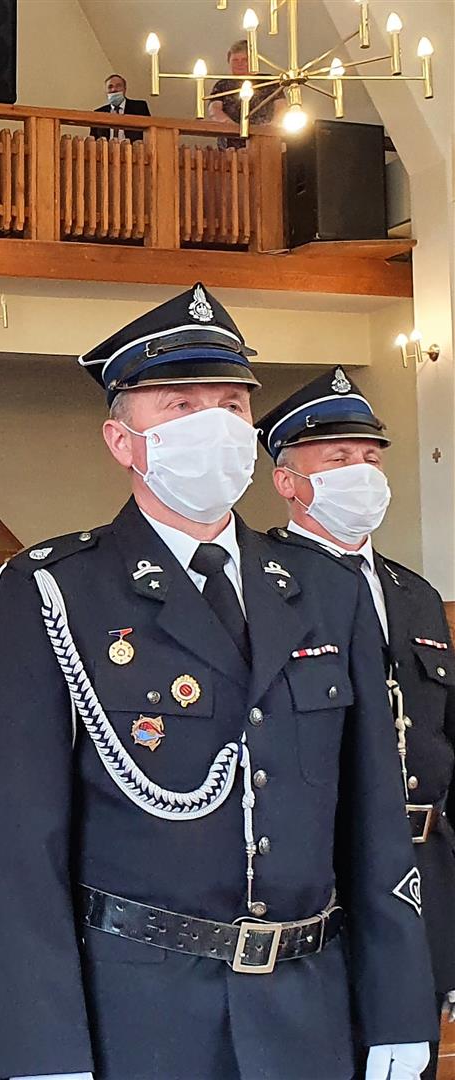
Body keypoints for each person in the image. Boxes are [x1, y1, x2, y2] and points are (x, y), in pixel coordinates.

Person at [0, 283, 438, 1080]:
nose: (215, 425)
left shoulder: (324, 589)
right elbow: (20, 846)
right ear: (122, 441)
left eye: (230, 404)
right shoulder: (56, 589)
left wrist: (397, 1005)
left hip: (308, 1009)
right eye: (182, 406)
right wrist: (43, 1049)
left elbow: (374, 820)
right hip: (139, 1018)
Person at [256, 367, 455, 1080]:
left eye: (371, 457)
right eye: (338, 458)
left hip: (424, 874)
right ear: (288, 481)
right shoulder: (264, 585)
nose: (362, 473)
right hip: (324, 877)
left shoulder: (415, 593)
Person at [208, 40, 283, 148]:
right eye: (235, 60)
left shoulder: (268, 81)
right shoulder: (222, 85)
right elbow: (214, 110)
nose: (240, 63)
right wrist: (232, 126)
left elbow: (281, 107)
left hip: (266, 141)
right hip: (231, 144)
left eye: (245, 60)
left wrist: (271, 127)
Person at [89, 74, 150, 142]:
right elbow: (93, 140)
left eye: (118, 86)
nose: (114, 89)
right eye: (110, 87)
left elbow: (149, 132)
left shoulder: (139, 107)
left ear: (125, 89)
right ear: (106, 91)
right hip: (107, 148)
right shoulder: (98, 113)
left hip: (133, 147)